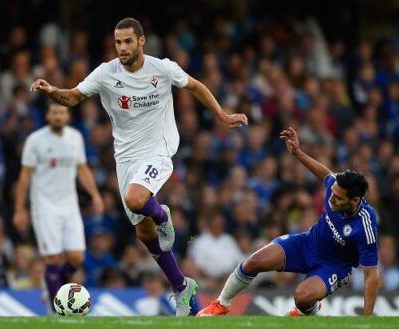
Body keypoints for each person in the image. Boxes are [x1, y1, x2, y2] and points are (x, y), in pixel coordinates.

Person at [30, 17, 248, 316]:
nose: (122, 47)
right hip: (126, 159)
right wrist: (51, 90)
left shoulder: (163, 68)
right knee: (145, 236)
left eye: (128, 41)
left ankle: (162, 214)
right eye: (118, 42)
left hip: (159, 149)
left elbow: (195, 86)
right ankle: (182, 286)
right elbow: (72, 97)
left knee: (136, 199)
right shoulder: (106, 73)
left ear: (141, 41)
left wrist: (222, 116)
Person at [197, 126, 380, 316]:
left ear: (355, 200)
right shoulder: (336, 187)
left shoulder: (365, 224)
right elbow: (325, 174)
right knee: (254, 261)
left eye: (338, 198)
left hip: (333, 265)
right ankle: (221, 304)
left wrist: (366, 318)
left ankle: (307, 311)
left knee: (301, 297)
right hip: (307, 243)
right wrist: (298, 153)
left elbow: (371, 274)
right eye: (332, 193)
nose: (331, 199)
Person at [13, 102, 104, 310]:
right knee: (52, 257)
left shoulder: (75, 138)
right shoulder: (35, 140)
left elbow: (82, 169)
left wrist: (95, 195)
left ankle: (54, 289)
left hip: (69, 205)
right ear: (47, 115)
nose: (58, 116)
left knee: (76, 256)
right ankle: (56, 308)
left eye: (62, 112)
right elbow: (24, 176)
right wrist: (19, 209)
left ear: (68, 116)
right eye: (54, 112)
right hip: (44, 206)